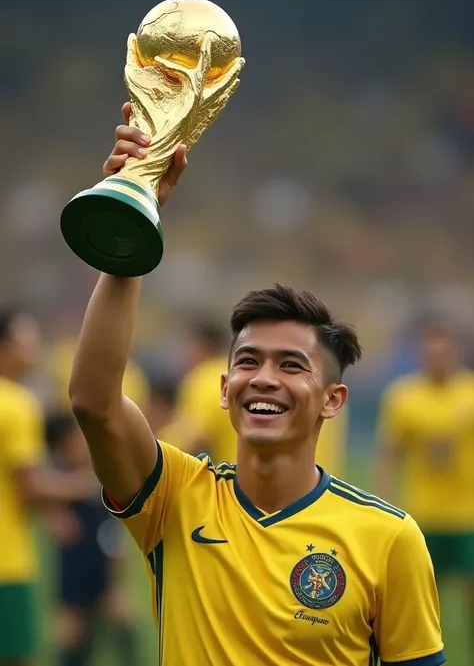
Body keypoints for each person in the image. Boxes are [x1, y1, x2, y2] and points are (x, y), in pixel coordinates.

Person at [68, 103, 445, 666]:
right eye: (248, 361)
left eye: (292, 365)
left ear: (333, 400)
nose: (264, 378)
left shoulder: (389, 538)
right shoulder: (175, 498)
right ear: (224, 387)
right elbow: (94, 404)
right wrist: (131, 211)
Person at [0, 309, 94, 666]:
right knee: (17, 658)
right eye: (26, 339)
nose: (34, 346)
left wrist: (52, 513)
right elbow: (30, 486)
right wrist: (85, 487)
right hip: (7, 563)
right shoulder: (16, 404)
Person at [375, 319, 474, 649]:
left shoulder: (470, 392)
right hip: (421, 516)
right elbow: (389, 453)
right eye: (429, 349)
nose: (437, 355)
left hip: (468, 516)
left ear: (455, 352)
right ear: (420, 352)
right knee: (422, 602)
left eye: (443, 349)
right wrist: (382, 501)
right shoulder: (403, 396)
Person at [161, 317, 349, 475]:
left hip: (250, 498)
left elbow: (182, 442)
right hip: (320, 497)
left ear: (202, 347)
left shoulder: (208, 377)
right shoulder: (323, 389)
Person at [45, 413, 140, 666]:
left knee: (124, 623)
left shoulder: (100, 474)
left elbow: (113, 532)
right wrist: (52, 514)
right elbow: (40, 498)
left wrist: (117, 581)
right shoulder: (57, 481)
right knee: (73, 639)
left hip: (104, 569)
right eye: (78, 439)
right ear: (64, 444)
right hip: (74, 573)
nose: (85, 444)